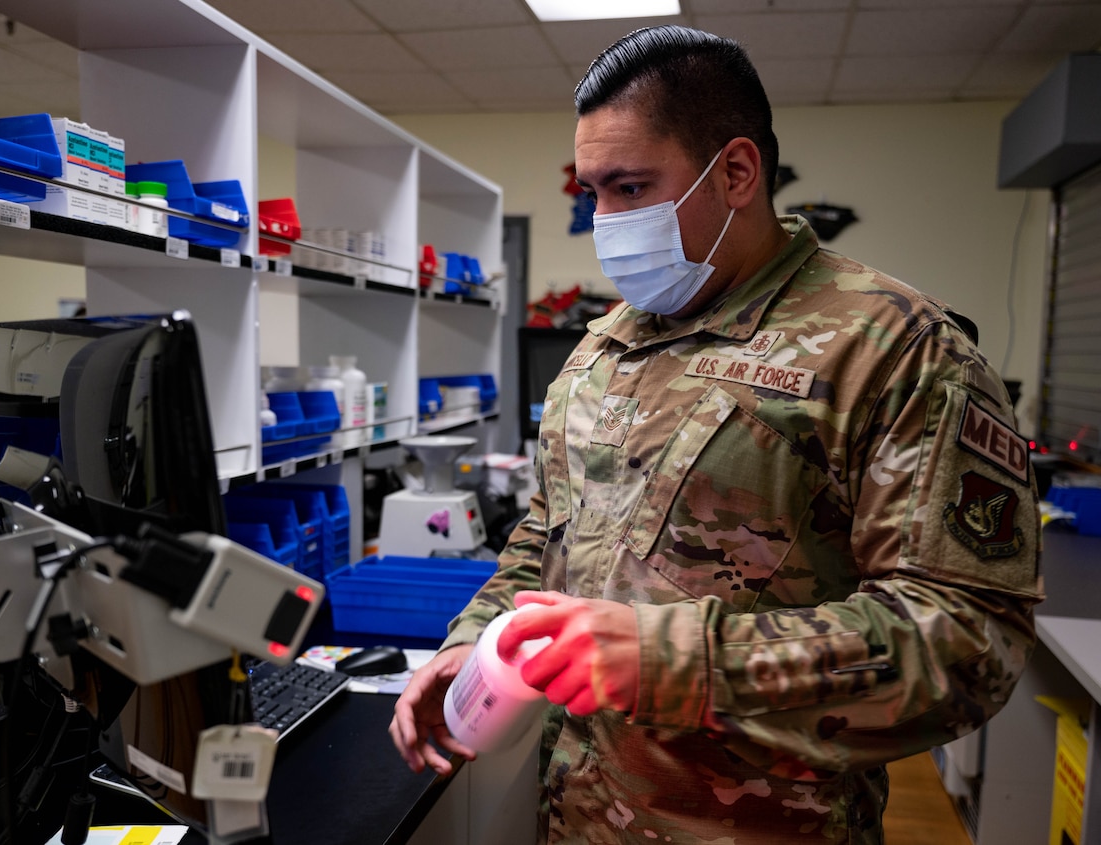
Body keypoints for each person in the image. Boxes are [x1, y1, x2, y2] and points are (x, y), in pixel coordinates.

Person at [389, 25, 1042, 844]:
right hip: (577, 815)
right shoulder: (604, 344)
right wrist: (469, 646)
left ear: (736, 171)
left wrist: (671, 659)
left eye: (629, 187)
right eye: (593, 192)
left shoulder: (894, 347)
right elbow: (542, 533)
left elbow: (964, 641)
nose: (604, 219)